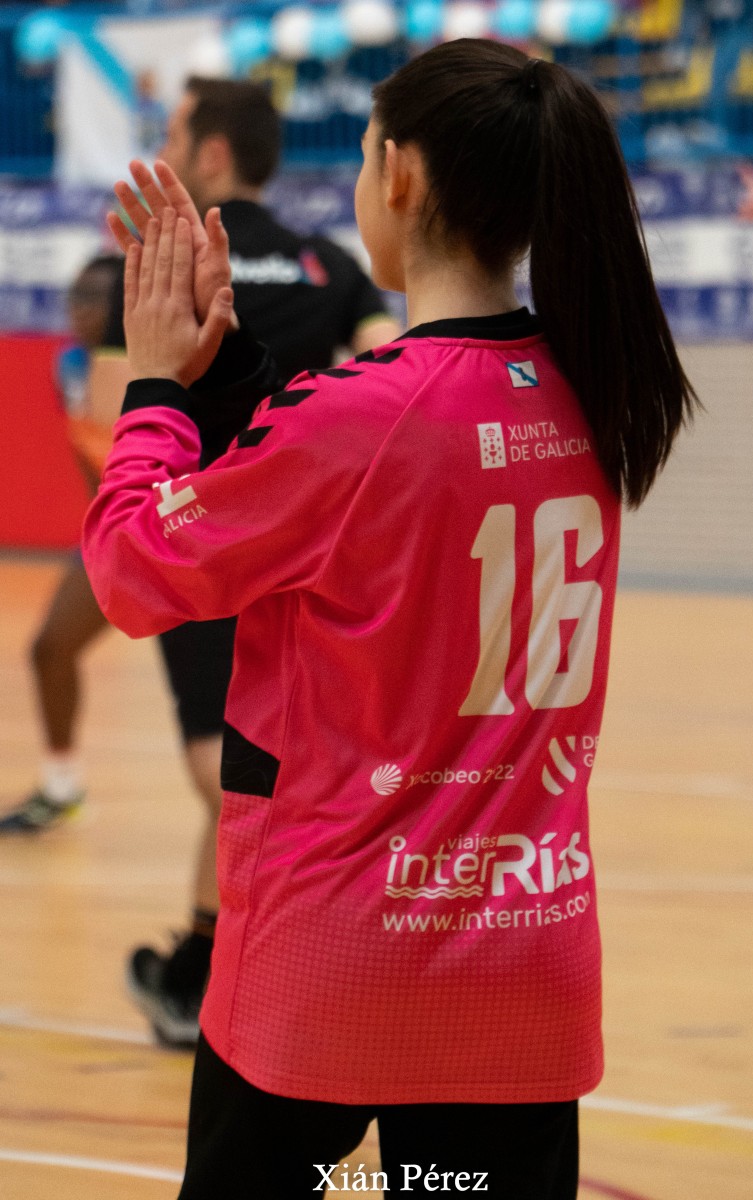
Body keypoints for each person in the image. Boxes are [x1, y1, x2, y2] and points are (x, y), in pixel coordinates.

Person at [85, 39, 697, 1200]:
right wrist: (232, 374)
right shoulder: (590, 385)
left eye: (366, 156)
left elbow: (130, 570)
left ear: (399, 174)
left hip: (331, 964)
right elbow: (380, 475)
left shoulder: (359, 419)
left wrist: (158, 388)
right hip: (526, 964)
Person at [107, 76, 400, 1047]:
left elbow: (114, 409)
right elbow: (389, 367)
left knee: (228, 771)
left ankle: (225, 974)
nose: (165, 148)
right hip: (309, 551)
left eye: (174, 133)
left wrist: (137, 496)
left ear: (212, 153)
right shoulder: (330, 263)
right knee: (266, 759)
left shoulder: (163, 268)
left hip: (196, 536)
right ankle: (204, 969)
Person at [0, 255, 127, 835]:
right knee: (51, 648)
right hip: (117, 537)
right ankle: (60, 787)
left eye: (95, 297)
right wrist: (101, 529)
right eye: (76, 297)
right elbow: (86, 451)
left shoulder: (160, 364)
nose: (80, 310)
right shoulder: (69, 364)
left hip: (183, 536)